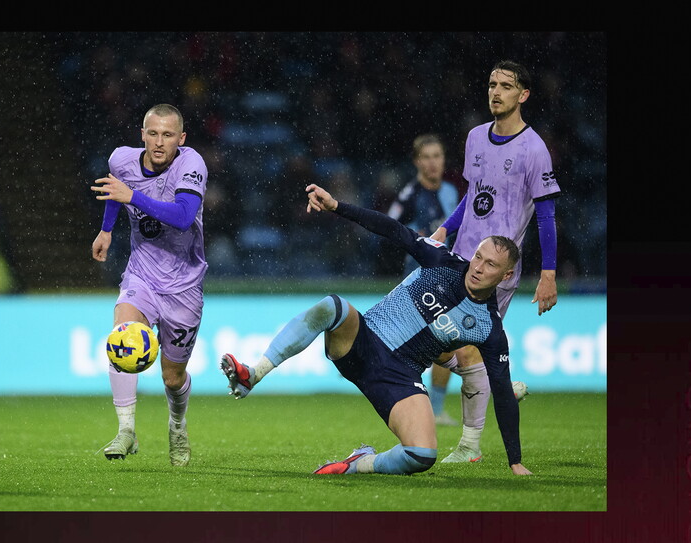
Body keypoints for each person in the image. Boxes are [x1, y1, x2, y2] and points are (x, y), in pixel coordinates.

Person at [220, 184, 532, 476]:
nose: (477, 267)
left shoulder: (488, 327)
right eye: (478, 256)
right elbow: (392, 229)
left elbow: (503, 392)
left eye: (490, 265)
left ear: (506, 276)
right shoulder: (442, 260)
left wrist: (514, 460)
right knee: (333, 306)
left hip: (399, 377)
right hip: (363, 342)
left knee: (422, 455)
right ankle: (254, 374)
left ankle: (360, 463)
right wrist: (336, 206)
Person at [428, 60, 561, 464]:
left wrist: (549, 273)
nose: (496, 92)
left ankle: (469, 447)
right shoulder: (474, 137)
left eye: (506, 86)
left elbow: (546, 216)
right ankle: (494, 379)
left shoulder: (534, 149)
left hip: (495, 271)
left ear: (523, 95)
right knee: (429, 340)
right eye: (491, 84)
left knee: (463, 346)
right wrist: (444, 231)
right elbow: (473, 195)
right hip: (459, 258)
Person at [89, 103, 208, 467]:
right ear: (142, 134)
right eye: (152, 133)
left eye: (167, 135)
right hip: (141, 275)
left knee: (173, 378)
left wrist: (133, 197)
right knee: (122, 336)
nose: (159, 142)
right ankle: (126, 430)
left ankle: (177, 425)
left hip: (184, 287)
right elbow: (115, 191)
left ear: (181, 138)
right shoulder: (121, 160)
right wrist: (107, 230)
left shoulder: (191, 165)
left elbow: (184, 217)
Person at [387, 133, 461, 426]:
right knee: (426, 345)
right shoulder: (409, 195)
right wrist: (412, 241)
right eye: (427, 157)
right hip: (416, 281)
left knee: (447, 342)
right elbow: (388, 230)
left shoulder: (452, 192)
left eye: (438, 156)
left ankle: (436, 410)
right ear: (417, 161)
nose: (433, 163)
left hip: (448, 279)